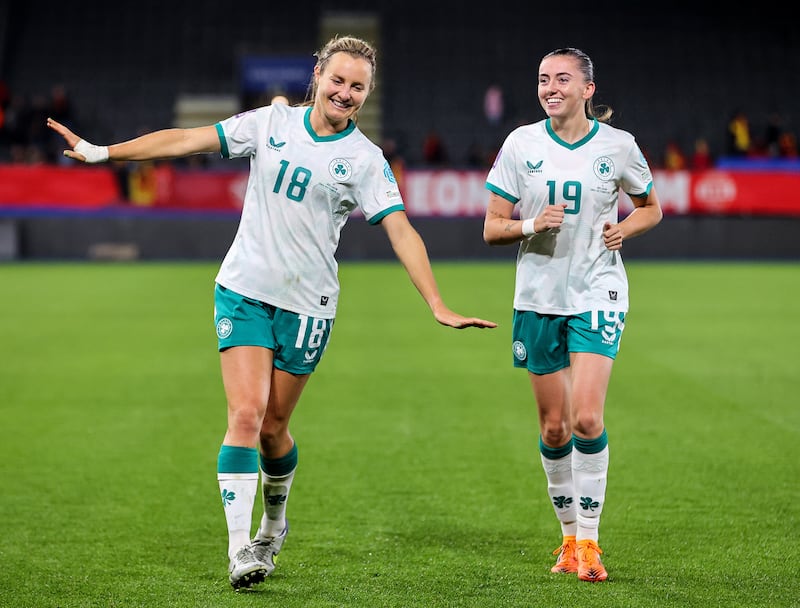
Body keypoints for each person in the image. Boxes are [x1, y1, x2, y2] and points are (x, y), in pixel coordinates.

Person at [47, 35, 497, 591]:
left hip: (309, 308)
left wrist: (437, 303)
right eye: (338, 80)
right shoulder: (271, 123)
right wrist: (102, 153)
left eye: (358, 87)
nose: (346, 93)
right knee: (245, 414)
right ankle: (240, 551)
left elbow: (401, 229)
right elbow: (189, 138)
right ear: (318, 76)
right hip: (243, 290)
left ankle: (275, 522)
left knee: (274, 429)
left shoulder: (365, 160)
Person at [482, 47, 662, 583]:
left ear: (588, 89)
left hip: (597, 291)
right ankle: (566, 540)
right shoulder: (521, 143)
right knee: (555, 427)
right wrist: (530, 224)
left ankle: (589, 543)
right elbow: (493, 227)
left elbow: (650, 206)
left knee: (586, 418)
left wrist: (623, 229)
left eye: (563, 78)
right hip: (538, 298)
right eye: (543, 79)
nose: (550, 87)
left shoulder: (618, 147)